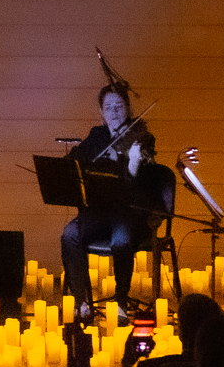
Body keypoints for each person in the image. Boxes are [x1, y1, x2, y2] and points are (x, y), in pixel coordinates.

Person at [61, 82, 175, 320]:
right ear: (101, 112)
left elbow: (143, 183)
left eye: (119, 106)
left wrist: (133, 163)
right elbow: (75, 160)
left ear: (128, 109)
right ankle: (81, 301)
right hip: (100, 211)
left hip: (128, 212)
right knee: (69, 235)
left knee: (121, 241)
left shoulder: (142, 137)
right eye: (108, 107)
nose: (113, 112)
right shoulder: (97, 135)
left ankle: (121, 301)